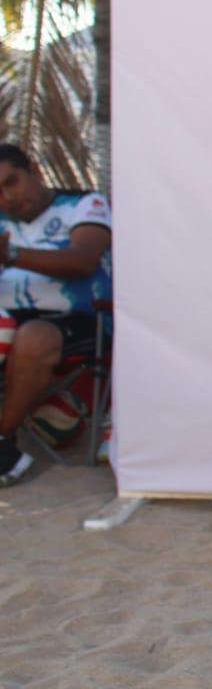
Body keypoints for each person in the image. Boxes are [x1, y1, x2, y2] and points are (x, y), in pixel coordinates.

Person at [0, 144, 113, 487]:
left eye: (11, 182)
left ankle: (4, 439)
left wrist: (12, 256)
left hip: (79, 319)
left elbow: (83, 260)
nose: (7, 197)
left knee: (33, 335)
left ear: (32, 168)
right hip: (9, 318)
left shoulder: (84, 205)